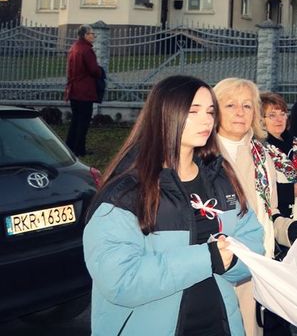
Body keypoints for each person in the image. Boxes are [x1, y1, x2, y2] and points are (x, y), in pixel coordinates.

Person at [83, 75, 264, 335]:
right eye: (193, 111)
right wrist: (208, 258)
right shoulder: (126, 192)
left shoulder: (219, 177)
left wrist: (230, 261)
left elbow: (253, 240)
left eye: (210, 111)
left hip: (220, 325)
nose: (207, 120)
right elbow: (120, 279)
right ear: (164, 115)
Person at [214, 78, 297, 336]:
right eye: (230, 105)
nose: (240, 112)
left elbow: (270, 213)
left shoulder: (261, 155)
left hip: (255, 266)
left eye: (247, 105)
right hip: (213, 267)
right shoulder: (201, 154)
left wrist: (292, 230)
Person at [259, 92, 297, 221]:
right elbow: (257, 188)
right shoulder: (259, 148)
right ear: (261, 119)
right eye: (272, 115)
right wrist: (291, 190)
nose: (279, 119)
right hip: (275, 217)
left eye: (282, 114)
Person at [65, 24, 103, 156]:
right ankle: (79, 150)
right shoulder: (87, 50)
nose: (94, 36)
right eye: (92, 33)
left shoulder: (74, 48)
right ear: (85, 35)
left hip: (74, 90)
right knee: (83, 122)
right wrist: (99, 72)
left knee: (75, 120)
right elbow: (94, 70)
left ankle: (70, 147)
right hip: (84, 90)